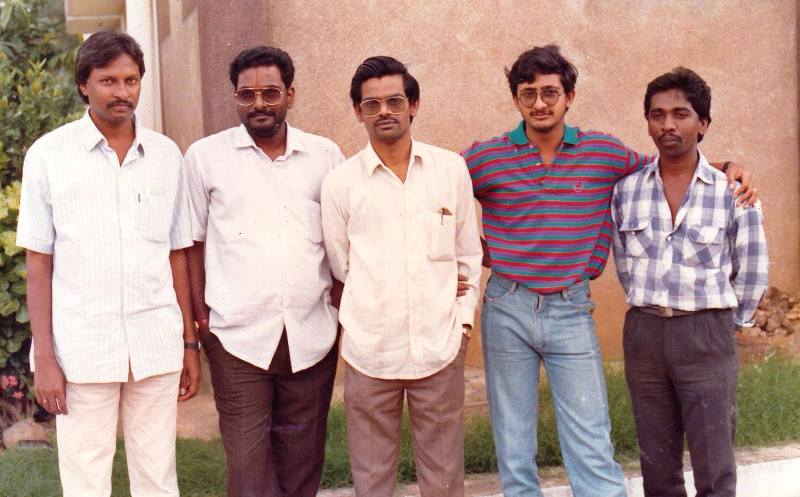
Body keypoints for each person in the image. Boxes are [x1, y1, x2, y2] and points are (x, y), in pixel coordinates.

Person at [460, 44, 757, 497]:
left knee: (590, 435)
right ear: (516, 100)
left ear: (569, 96)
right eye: (528, 94)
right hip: (507, 305)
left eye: (549, 92)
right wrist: (481, 251)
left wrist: (723, 167)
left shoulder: (603, 152)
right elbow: (439, 193)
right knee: (514, 440)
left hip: (571, 308)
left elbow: (665, 167)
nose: (540, 103)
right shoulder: (486, 158)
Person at [17, 31, 199, 497]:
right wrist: (45, 357)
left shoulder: (166, 156)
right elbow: (38, 262)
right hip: (82, 349)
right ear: (84, 84)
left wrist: (188, 343)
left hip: (155, 343)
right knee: (85, 479)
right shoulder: (49, 156)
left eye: (132, 80)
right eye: (109, 81)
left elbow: (177, 253)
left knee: (158, 476)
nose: (123, 92)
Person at [184, 46, 343, 497]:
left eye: (270, 92)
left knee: (303, 462)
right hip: (236, 337)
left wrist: (336, 310)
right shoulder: (205, 157)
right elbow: (192, 245)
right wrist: (201, 321)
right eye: (247, 94)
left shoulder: (325, 155)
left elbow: (339, 241)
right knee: (249, 471)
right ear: (235, 98)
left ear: (290, 94)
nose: (259, 103)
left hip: (311, 335)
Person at [321, 56, 482, 497]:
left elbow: (468, 252)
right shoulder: (341, 183)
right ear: (358, 112)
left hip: (439, 344)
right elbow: (343, 264)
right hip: (371, 349)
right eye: (371, 104)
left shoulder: (450, 170)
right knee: (371, 478)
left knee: (444, 475)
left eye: (394, 100)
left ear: (414, 105)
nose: (384, 112)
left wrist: (462, 323)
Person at [611, 67, 768, 497]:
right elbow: (624, 263)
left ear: (704, 124)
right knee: (656, 463)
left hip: (707, 333)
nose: (667, 125)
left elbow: (752, 270)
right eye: (657, 114)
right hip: (644, 333)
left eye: (680, 114)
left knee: (714, 464)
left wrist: (725, 324)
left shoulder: (732, 192)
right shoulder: (626, 191)